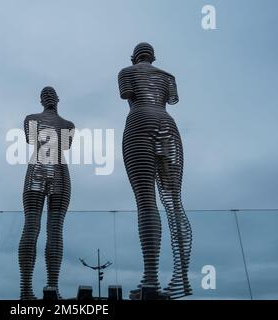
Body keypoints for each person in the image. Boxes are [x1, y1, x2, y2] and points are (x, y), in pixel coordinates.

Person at [118, 43, 192, 299]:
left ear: (134, 56)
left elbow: (127, 95)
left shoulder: (126, 71)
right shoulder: (168, 77)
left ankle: (150, 277)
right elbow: (171, 100)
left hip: (139, 122)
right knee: (174, 202)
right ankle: (181, 280)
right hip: (167, 124)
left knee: (146, 202)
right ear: (153, 55)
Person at [18, 86, 74, 300]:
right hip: (56, 170)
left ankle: (41, 289)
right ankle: (38, 289)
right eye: (47, 95)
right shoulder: (67, 125)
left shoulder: (32, 119)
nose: (50, 98)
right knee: (45, 227)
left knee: (42, 227)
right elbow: (65, 145)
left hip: (42, 170)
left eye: (50, 95)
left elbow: (33, 140)